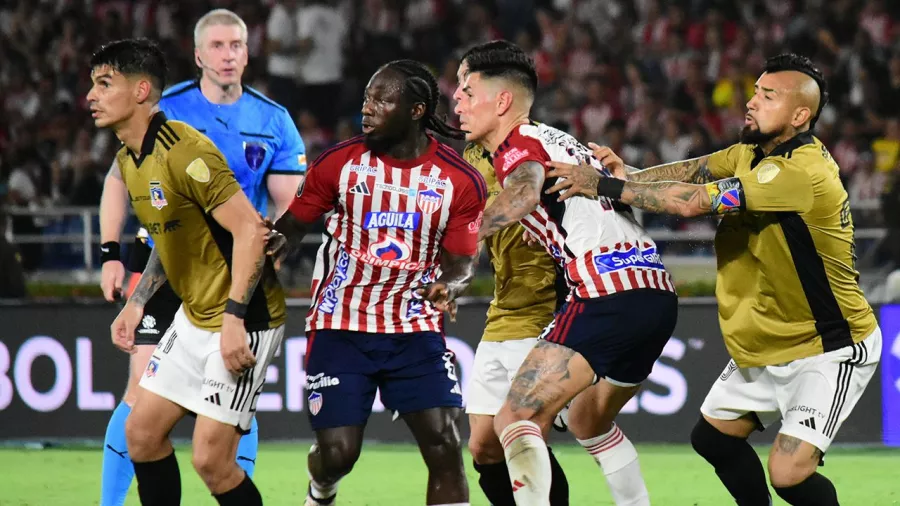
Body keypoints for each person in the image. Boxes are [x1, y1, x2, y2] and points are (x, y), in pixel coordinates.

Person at [547, 53, 882, 506]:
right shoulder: (751, 153)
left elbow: (693, 202)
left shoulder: (801, 173)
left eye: (767, 96)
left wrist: (603, 185)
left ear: (800, 115)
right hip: (765, 345)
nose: (751, 102)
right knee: (713, 439)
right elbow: (694, 171)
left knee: (788, 474)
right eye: (755, 91)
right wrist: (631, 175)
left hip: (827, 346)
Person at [97, 9, 306, 505]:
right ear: (197, 55)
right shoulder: (152, 121)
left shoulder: (268, 120)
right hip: (176, 275)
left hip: (238, 282)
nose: (228, 54)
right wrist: (116, 262)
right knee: (141, 420)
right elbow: (139, 202)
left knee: (213, 454)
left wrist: (277, 240)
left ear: (248, 52)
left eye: (236, 45)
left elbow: (292, 204)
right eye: (217, 45)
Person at [454, 42, 677, 505]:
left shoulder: (520, 145)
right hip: (654, 291)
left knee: (514, 419)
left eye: (467, 90)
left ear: (502, 102)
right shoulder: (562, 139)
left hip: (605, 292)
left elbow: (524, 192)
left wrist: (462, 239)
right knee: (588, 424)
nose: (457, 99)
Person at [272, 59, 486, 506]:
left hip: (413, 329)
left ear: (416, 110)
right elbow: (292, 227)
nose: (367, 109)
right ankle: (321, 487)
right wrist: (270, 247)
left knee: (446, 446)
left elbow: (463, 260)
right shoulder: (339, 163)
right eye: (367, 97)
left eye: (382, 100)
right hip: (341, 325)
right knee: (339, 454)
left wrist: (451, 285)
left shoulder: (458, 180)